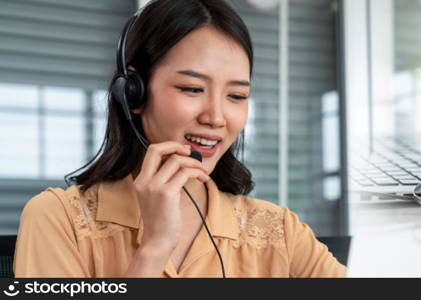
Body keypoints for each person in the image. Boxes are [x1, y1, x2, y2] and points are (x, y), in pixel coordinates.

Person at [13, 0, 346, 278]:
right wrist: (155, 247)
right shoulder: (57, 219)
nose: (216, 117)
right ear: (134, 94)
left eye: (237, 96)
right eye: (192, 89)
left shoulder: (279, 231)